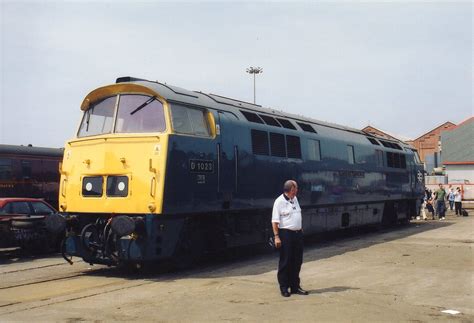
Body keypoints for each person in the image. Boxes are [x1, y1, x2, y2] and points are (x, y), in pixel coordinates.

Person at [271, 180, 308, 297]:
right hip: (286, 234)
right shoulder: (279, 202)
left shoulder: (295, 199)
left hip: (297, 234)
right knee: (285, 261)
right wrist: (277, 237)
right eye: (295, 188)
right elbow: (275, 221)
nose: (297, 190)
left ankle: (295, 286)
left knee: (297, 261)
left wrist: (300, 228)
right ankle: (284, 287)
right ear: (290, 190)